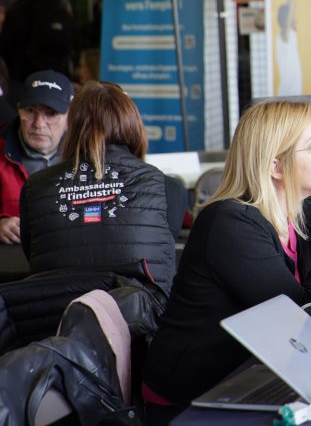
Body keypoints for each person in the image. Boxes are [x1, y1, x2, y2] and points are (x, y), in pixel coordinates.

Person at [142, 99, 311, 409]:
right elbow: (303, 321)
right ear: (276, 166)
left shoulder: (303, 213)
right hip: (192, 398)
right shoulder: (230, 224)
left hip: (257, 378)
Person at [18, 81, 184, 290]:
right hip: (140, 309)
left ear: (72, 127)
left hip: (59, 309)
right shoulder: (168, 187)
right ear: (133, 124)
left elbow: (33, 254)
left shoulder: (35, 188)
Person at [0, 70, 73, 245]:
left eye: (51, 113)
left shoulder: (86, 157)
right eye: (30, 111)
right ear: (19, 109)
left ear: (70, 117)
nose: (39, 124)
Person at [275, 0, 302, 96]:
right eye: (292, 16)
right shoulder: (283, 35)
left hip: (294, 89)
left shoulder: (291, 34)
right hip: (288, 91)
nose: (295, 18)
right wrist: (291, 7)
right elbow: (287, 26)